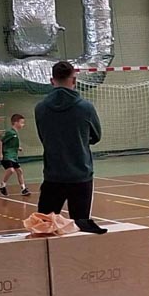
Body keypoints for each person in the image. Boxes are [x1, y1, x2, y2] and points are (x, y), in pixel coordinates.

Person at [34, 60, 103, 228]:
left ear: (52, 81)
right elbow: (96, 136)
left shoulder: (40, 108)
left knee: (44, 226)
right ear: (74, 80)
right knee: (81, 226)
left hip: (53, 175)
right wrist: (79, 140)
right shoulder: (86, 108)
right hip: (80, 175)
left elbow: (43, 137)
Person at [0, 113, 31, 197]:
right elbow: (0, 141)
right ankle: (2, 185)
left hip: (13, 156)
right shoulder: (10, 132)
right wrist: (0, 154)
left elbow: (10, 144)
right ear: (16, 123)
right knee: (11, 170)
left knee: (19, 171)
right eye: (21, 122)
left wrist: (18, 148)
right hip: (7, 156)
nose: (23, 124)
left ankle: (23, 189)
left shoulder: (15, 133)